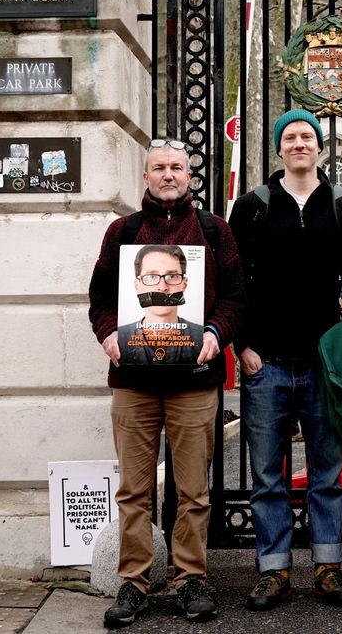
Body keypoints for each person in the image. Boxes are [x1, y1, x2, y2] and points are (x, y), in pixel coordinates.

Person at [88, 138, 246, 628]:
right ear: (146, 176)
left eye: (177, 166)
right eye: (159, 167)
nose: (169, 175)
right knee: (134, 491)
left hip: (195, 381)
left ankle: (189, 579)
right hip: (133, 381)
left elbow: (237, 298)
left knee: (194, 490)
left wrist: (217, 334)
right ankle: (133, 583)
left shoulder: (216, 233)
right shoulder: (123, 232)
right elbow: (99, 299)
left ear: (190, 174)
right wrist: (110, 334)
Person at [229, 109, 342, 611]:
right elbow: (233, 281)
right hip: (265, 360)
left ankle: (329, 567)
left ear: (320, 145)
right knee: (268, 475)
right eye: (290, 137)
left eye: (307, 136)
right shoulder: (253, 206)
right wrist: (242, 346)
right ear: (278, 148)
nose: (299, 143)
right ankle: (274, 571)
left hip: (323, 363)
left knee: (327, 471)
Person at [117, 244, 205, 365]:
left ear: (184, 284)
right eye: (151, 276)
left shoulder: (202, 337)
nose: (163, 287)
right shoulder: (118, 337)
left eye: (172, 276)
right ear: (137, 285)